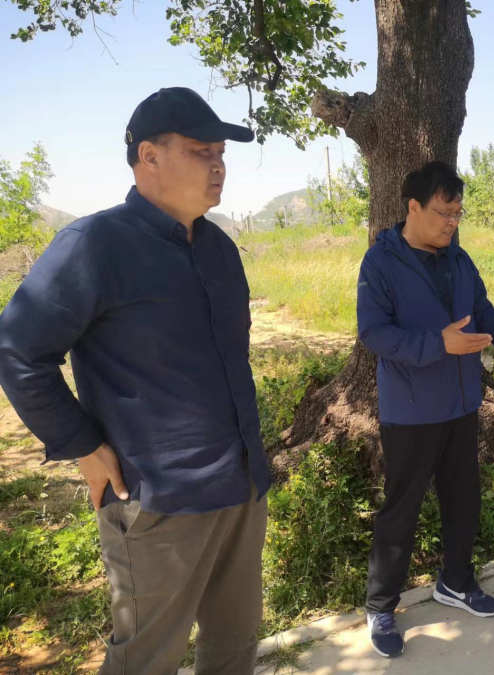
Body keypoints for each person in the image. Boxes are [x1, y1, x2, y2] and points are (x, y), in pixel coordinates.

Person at [0, 87, 271, 675]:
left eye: (221, 153)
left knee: (234, 645)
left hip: (241, 485)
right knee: (146, 660)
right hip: (158, 501)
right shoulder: (94, 245)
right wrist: (82, 445)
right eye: (201, 151)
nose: (219, 165)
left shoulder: (220, 249)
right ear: (149, 155)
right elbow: (18, 352)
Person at [356, 161, 494, 658]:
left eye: (458, 213)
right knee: (401, 510)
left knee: (463, 500)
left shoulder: (459, 259)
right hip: (410, 409)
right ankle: (380, 606)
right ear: (413, 208)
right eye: (444, 213)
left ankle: (456, 582)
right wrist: (437, 344)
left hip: (461, 403)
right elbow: (374, 333)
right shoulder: (381, 262)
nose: (452, 222)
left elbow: (482, 314)